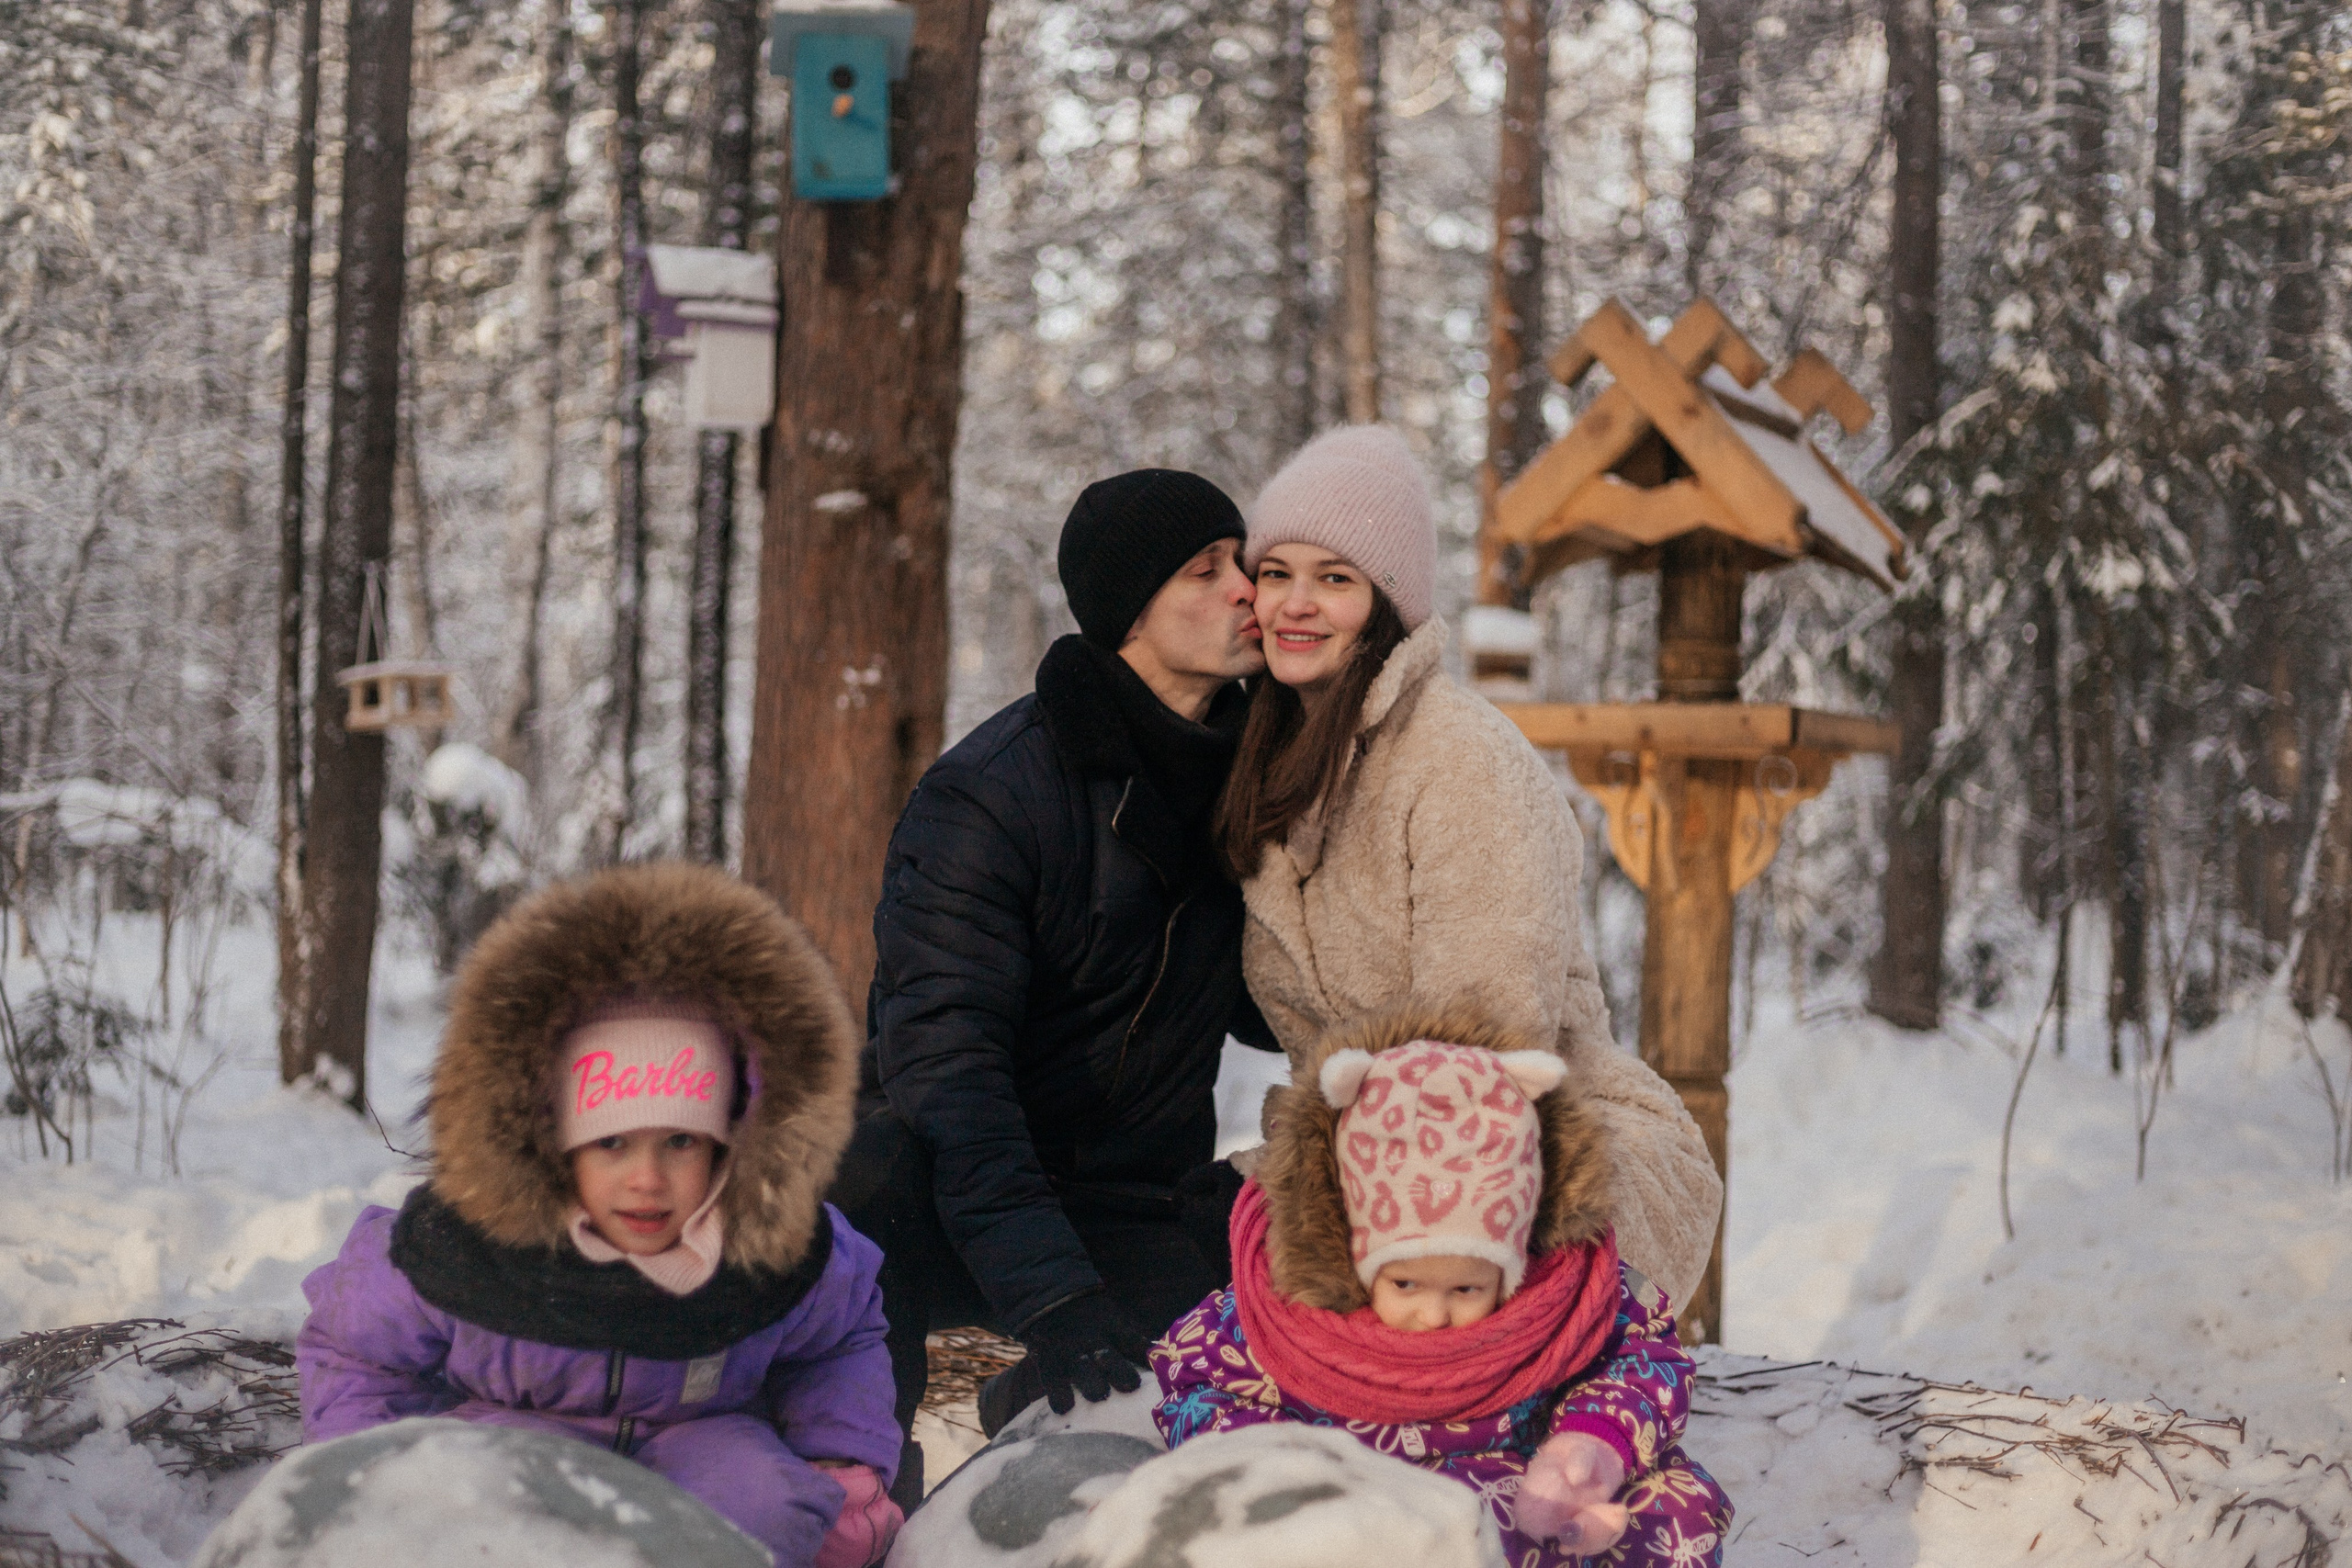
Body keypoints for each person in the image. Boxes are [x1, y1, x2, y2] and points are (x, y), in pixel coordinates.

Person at [833, 468, 1282, 1502]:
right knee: (862, 1183)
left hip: (1142, 1197)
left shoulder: (1252, 781)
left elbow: (1277, 1008)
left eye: (1240, 562)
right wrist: (1053, 1293)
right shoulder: (989, 798)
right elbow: (947, 1076)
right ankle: (863, 1496)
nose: (1246, 590)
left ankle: (1025, 1402)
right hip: (960, 1194)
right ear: (1130, 612)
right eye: (1205, 572)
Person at [1216, 423, 1724, 1314]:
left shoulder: (1460, 760)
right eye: (1276, 573)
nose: (1295, 603)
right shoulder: (1269, 760)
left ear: (1384, 602)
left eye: (1334, 579)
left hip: (1522, 1159)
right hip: (1363, 1155)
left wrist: (1308, 1188)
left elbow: (1482, 1038)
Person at [297, 863, 904, 1568]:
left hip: (700, 1441)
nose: (647, 1179)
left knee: (771, 1503)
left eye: (680, 1141)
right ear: (556, 1146)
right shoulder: (463, 1247)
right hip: (515, 1445)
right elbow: (356, 1350)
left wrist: (840, 1465)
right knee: (489, 1518)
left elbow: (838, 1334)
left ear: (728, 1142)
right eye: (612, 1143)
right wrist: (369, 1482)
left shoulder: (773, 1253)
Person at [1151, 1012, 1732, 1568]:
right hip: (1359, 1505)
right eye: (1404, 1283)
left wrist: (1587, 1447)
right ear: (1353, 1256)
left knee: (1678, 1508)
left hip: (1523, 1491)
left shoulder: (1564, 1303)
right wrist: (1287, 1472)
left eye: (1467, 1287)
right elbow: (1195, 1382)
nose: (1434, 1312)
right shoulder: (1289, 1316)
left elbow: (1643, 1357)